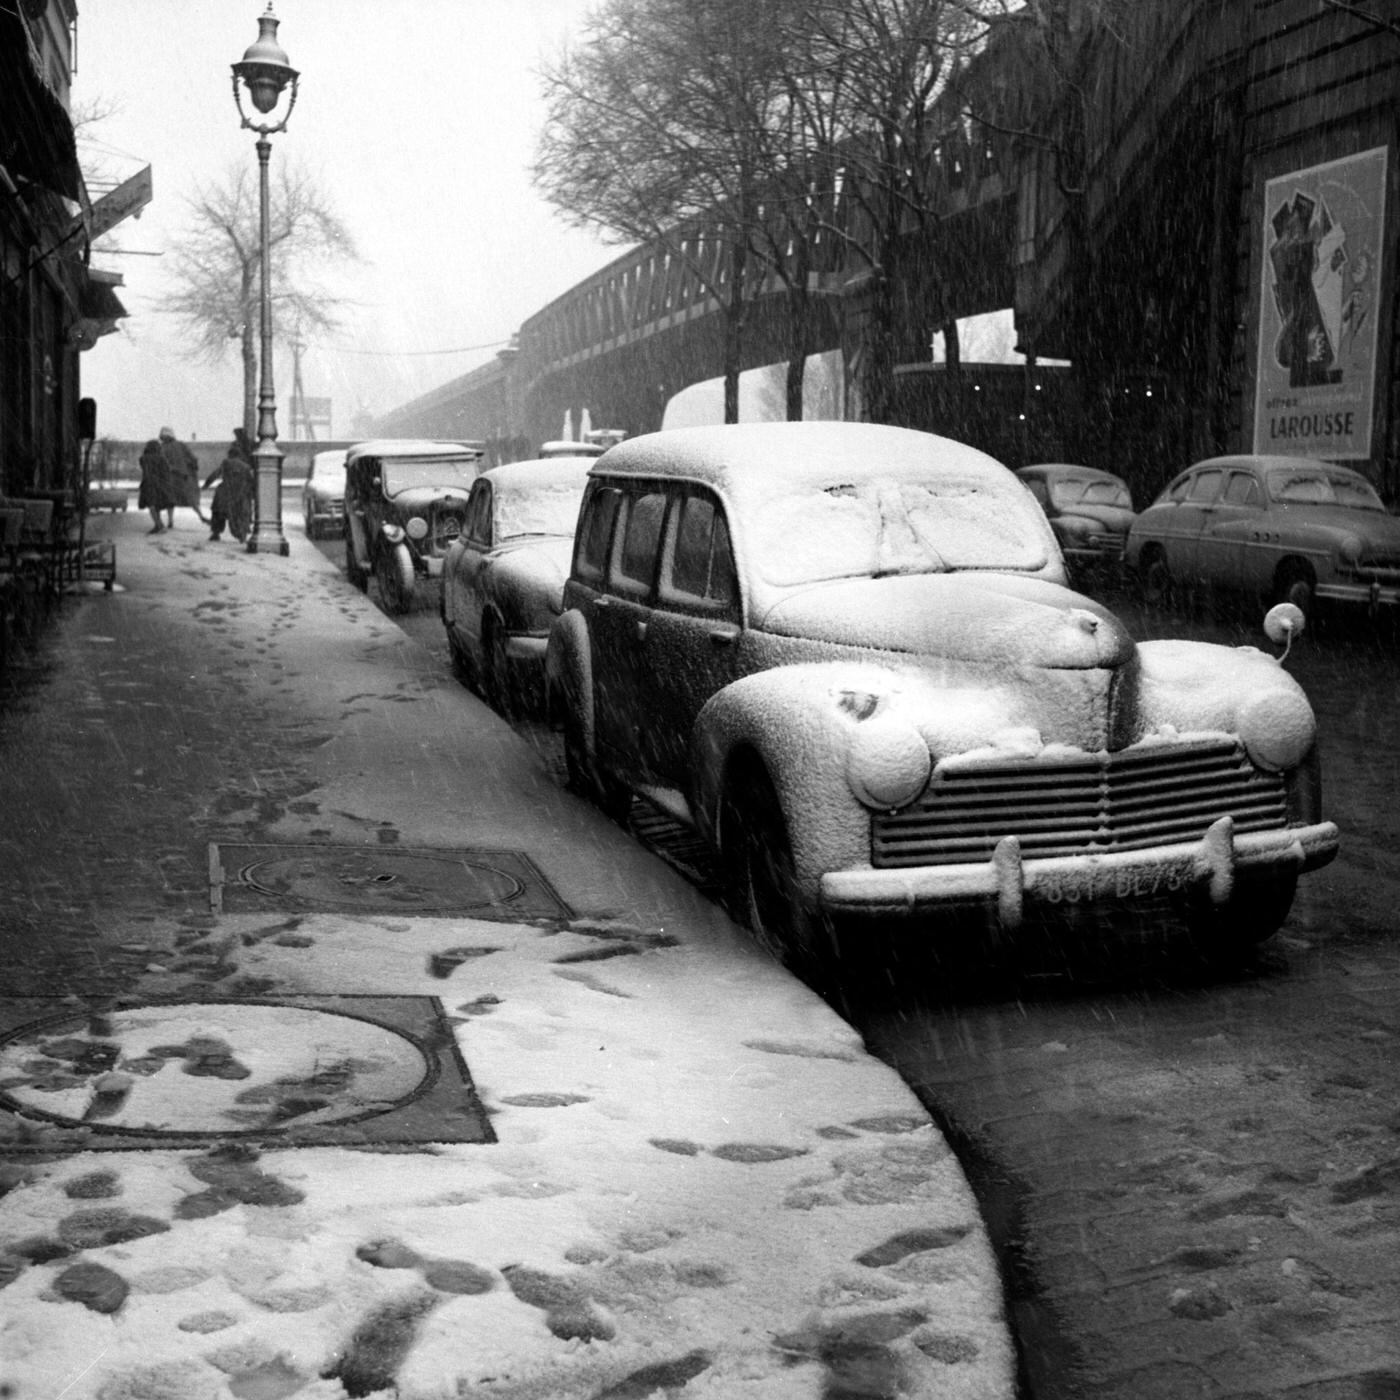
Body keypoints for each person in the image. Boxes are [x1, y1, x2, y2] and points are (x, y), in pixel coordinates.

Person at [204, 434, 254, 543]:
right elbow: (251, 481)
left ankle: (216, 533)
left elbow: (215, 474)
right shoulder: (246, 467)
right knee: (242, 514)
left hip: (225, 492)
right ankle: (242, 535)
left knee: (217, 512)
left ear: (230, 454)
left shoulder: (226, 463)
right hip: (240, 494)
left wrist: (206, 485)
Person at [159, 426, 207, 526]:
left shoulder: (162, 447)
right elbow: (193, 459)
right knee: (189, 498)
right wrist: (191, 468)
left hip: (172, 477)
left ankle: (170, 521)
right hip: (183, 476)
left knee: (171, 499)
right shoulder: (180, 445)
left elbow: (162, 463)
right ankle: (200, 516)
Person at [137, 438, 175, 533]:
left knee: (152, 505)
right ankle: (161, 525)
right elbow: (167, 471)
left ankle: (159, 525)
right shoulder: (162, 458)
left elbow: (145, 470)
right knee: (158, 505)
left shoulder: (143, 458)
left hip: (148, 484)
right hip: (161, 484)